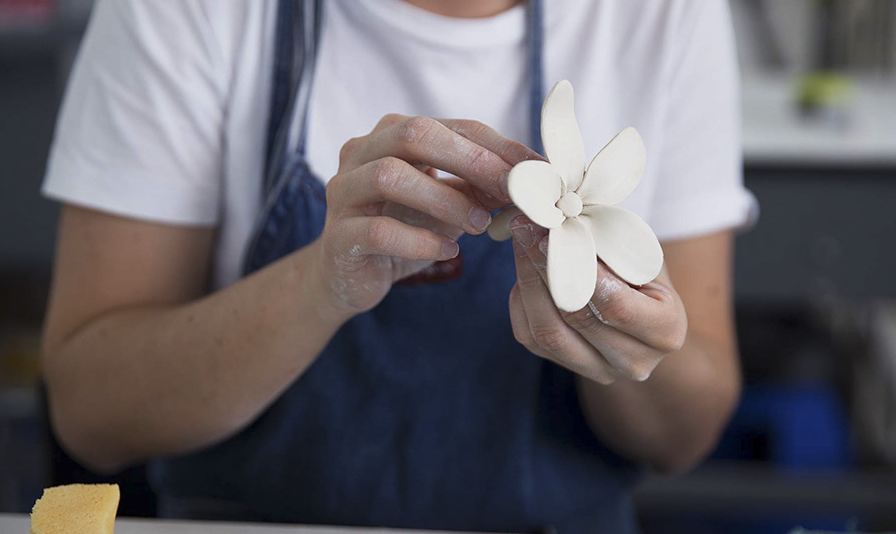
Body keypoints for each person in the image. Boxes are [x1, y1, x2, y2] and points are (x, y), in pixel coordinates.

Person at [40, 0, 756, 532]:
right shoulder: (192, 14)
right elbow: (91, 413)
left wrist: (617, 335)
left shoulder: (663, 15)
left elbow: (684, 433)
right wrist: (320, 285)